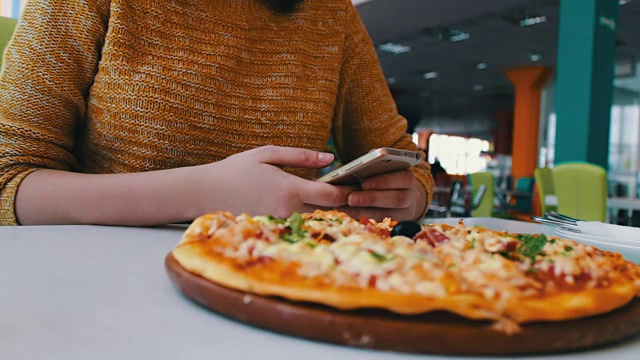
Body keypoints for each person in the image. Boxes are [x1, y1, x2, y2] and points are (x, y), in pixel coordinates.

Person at [0, 0, 433, 226]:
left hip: (274, 284)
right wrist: (202, 192)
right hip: (93, 293)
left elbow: (400, 158)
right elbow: (10, 180)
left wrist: (407, 197)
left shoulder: (331, 15)